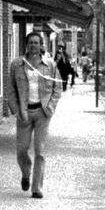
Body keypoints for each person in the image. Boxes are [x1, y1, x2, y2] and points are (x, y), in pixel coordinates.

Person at [4, 31, 62, 199]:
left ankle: (37, 188)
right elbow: (10, 89)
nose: (33, 45)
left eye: (36, 42)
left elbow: (57, 88)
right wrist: (16, 110)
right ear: (26, 45)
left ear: (41, 45)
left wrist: (50, 107)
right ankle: (26, 174)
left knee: (40, 151)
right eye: (31, 42)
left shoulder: (50, 65)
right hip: (25, 113)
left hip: (43, 113)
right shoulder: (17, 65)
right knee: (22, 150)